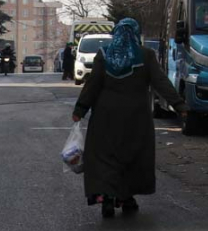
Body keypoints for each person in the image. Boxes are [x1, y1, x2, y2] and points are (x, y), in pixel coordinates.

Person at [71, 19, 187, 218]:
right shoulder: (145, 55)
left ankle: (106, 198)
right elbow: (161, 82)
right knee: (132, 157)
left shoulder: (104, 55)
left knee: (105, 157)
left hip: (105, 117)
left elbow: (92, 85)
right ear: (136, 33)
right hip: (136, 118)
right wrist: (179, 105)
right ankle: (126, 198)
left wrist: (80, 109)